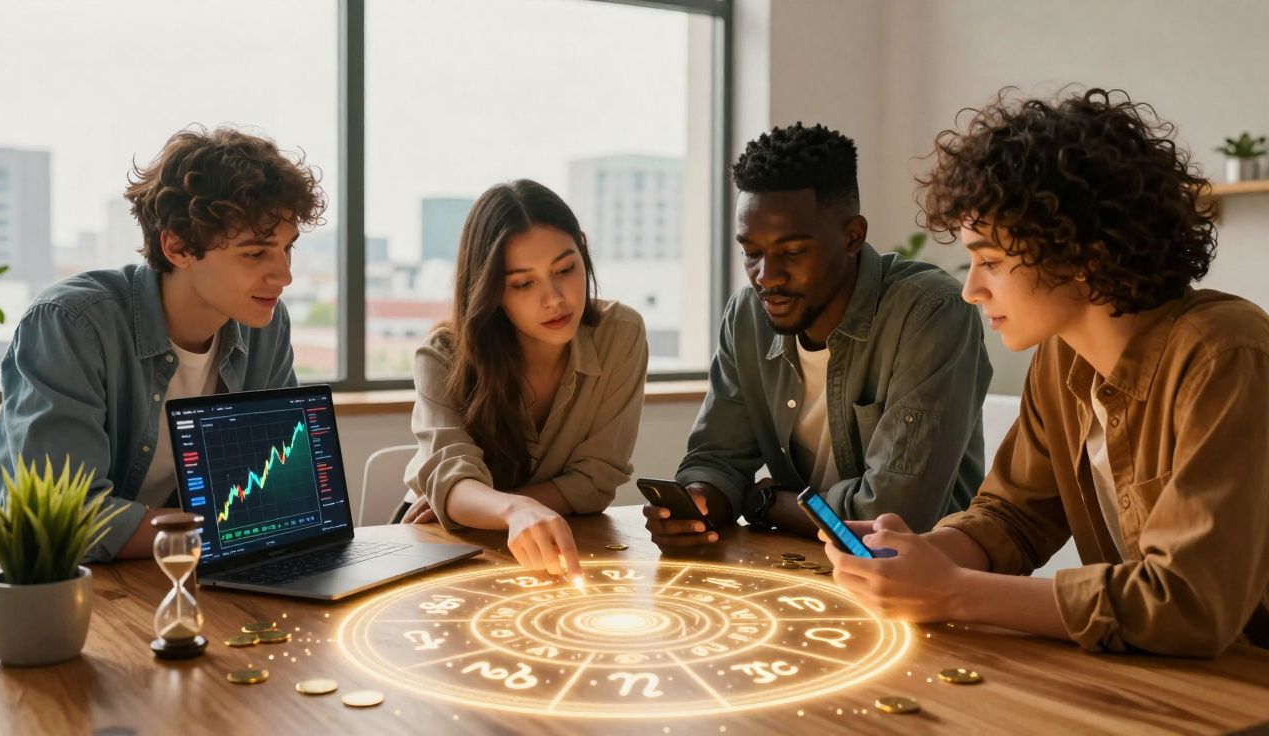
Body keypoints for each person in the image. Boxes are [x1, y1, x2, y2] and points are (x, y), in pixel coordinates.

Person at [822, 88, 1269, 656]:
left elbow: (1187, 602)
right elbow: (1013, 516)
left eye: (992, 262)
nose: (970, 289)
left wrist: (955, 593)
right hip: (1156, 679)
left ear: (1084, 254)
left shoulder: (1225, 355)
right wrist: (931, 555)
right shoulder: (1061, 358)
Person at [0, 126, 324, 563]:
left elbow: (277, 490)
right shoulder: (71, 324)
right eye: (255, 254)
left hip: (167, 572)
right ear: (177, 246)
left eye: (288, 249)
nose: (283, 276)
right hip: (38, 587)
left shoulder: (264, 322)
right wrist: (232, 528)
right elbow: (65, 518)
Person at [645, 123, 990, 549]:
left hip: (924, 583)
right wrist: (697, 502)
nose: (765, 277)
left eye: (791, 253)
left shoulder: (930, 311)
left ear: (852, 237)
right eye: (752, 253)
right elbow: (717, 459)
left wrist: (767, 501)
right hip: (802, 566)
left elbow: (893, 517)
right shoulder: (747, 316)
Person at [403, 179, 649, 578]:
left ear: (583, 251)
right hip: (441, 541)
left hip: (542, 540)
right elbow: (453, 482)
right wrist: (488, 506)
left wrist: (494, 506)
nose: (554, 298)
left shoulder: (621, 334)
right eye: (522, 283)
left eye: (566, 269)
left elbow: (596, 481)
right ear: (490, 288)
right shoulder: (442, 355)